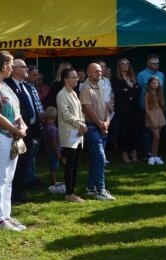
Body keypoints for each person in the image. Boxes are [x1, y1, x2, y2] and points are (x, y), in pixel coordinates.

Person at [0, 52, 28, 232]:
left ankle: (5, 215)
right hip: (1, 135)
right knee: (1, 177)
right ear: (3, 65)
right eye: (10, 64)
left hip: (13, 136)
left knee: (9, 177)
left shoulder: (5, 86)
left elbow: (16, 110)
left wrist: (22, 126)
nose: (12, 68)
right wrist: (16, 130)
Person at [5, 58, 44, 203]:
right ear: (14, 69)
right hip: (16, 131)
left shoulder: (26, 86)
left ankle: (20, 191)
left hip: (30, 131)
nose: (27, 69)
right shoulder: (7, 86)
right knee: (16, 164)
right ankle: (15, 194)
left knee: (25, 163)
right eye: (24, 67)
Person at [80, 63, 115, 201]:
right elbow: (88, 108)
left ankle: (90, 187)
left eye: (101, 71)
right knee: (100, 158)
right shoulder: (85, 88)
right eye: (96, 71)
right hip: (93, 127)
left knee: (96, 158)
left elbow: (106, 106)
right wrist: (100, 124)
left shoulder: (100, 86)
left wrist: (107, 122)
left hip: (101, 127)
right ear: (88, 73)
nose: (99, 73)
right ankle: (101, 189)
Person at [56, 68, 87, 202]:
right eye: (73, 77)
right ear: (66, 79)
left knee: (75, 164)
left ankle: (72, 191)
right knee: (70, 164)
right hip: (69, 134)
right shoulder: (61, 95)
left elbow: (80, 112)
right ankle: (69, 193)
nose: (76, 79)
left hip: (78, 133)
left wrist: (82, 124)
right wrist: (79, 124)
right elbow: (66, 115)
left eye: (77, 77)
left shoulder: (74, 93)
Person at [112, 58, 142, 163]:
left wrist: (128, 90)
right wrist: (131, 89)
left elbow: (139, 90)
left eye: (127, 64)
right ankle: (124, 153)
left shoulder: (133, 77)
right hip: (123, 109)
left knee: (135, 130)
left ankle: (134, 152)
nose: (125, 66)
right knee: (123, 130)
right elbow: (119, 92)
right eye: (123, 64)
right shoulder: (116, 79)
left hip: (135, 108)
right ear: (119, 66)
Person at [137, 54, 164, 157]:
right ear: (148, 63)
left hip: (158, 107)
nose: (156, 65)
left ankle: (154, 154)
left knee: (158, 133)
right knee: (147, 131)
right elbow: (138, 91)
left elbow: (161, 90)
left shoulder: (161, 75)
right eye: (154, 63)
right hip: (145, 107)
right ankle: (147, 152)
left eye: (158, 63)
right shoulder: (141, 75)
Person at [144, 76, 166, 165]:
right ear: (149, 84)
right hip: (151, 114)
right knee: (156, 136)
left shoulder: (159, 93)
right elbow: (146, 109)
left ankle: (155, 156)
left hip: (159, 114)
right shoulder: (147, 94)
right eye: (153, 83)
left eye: (156, 83)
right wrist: (151, 120)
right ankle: (151, 156)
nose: (155, 84)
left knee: (157, 139)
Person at [42, 107, 64, 194]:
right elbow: (54, 141)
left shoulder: (47, 126)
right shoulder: (52, 129)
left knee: (54, 166)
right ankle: (53, 182)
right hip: (53, 150)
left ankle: (54, 181)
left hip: (51, 150)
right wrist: (58, 151)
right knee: (54, 167)